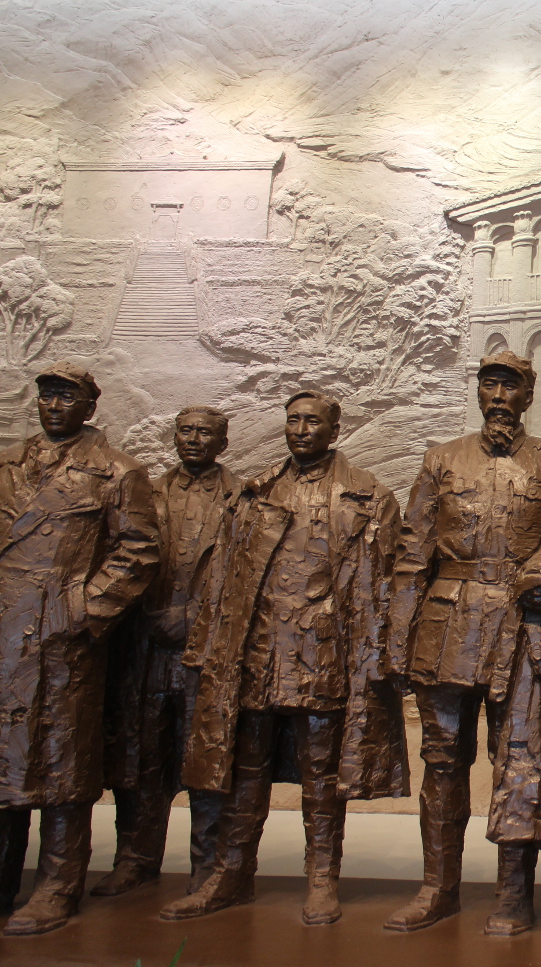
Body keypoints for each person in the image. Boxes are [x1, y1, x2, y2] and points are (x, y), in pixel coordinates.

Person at [161, 390, 407, 926]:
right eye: (292, 420)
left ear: (334, 428)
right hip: (258, 650)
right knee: (245, 767)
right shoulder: (255, 492)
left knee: (321, 771)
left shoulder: (369, 497)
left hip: (324, 654)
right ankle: (233, 873)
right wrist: (208, 649)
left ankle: (321, 877)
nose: (300, 430)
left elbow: (385, 586)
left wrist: (381, 659)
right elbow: (222, 577)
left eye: (312, 421)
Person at [383, 352, 541, 936]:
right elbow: (412, 553)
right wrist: (398, 641)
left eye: (511, 386)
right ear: (478, 393)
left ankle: (512, 895)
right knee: (442, 761)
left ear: (529, 395)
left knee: (518, 760)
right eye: (489, 385)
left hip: (522, 631)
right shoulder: (441, 460)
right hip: (446, 628)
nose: (499, 396)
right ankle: (437, 887)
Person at [0, 361, 160, 935]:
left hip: (61, 642)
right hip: (2, 636)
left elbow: (138, 553)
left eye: (66, 396)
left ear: (90, 406)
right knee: (3, 761)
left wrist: (81, 611)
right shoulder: (8, 463)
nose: (54, 405)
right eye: (47, 395)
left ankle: (57, 885)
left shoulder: (118, 472)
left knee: (62, 762)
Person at [95, 407, 240, 899]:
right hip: (146, 647)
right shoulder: (145, 493)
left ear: (223, 442)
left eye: (205, 432)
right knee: (141, 757)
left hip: (208, 651)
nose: (193, 439)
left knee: (206, 759)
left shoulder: (243, 499)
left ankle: (207, 866)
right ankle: (135, 858)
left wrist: (198, 618)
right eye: (185, 430)